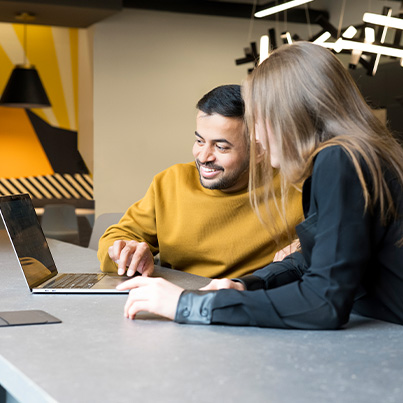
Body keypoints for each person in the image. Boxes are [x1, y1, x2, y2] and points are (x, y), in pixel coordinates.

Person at [117, 42, 403, 329]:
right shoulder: (354, 155)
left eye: (258, 119)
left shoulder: (340, 160)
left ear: (289, 115)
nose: (258, 137)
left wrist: (188, 305)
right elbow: (315, 260)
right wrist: (245, 285)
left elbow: (323, 303)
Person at [98, 85, 302, 279]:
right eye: (200, 141)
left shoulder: (296, 186)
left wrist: (303, 246)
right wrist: (124, 253)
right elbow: (118, 235)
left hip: (248, 304)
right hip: (174, 302)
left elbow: (328, 240)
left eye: (221, 147)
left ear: (258, 151)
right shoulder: (170, 182)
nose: (203, 156)